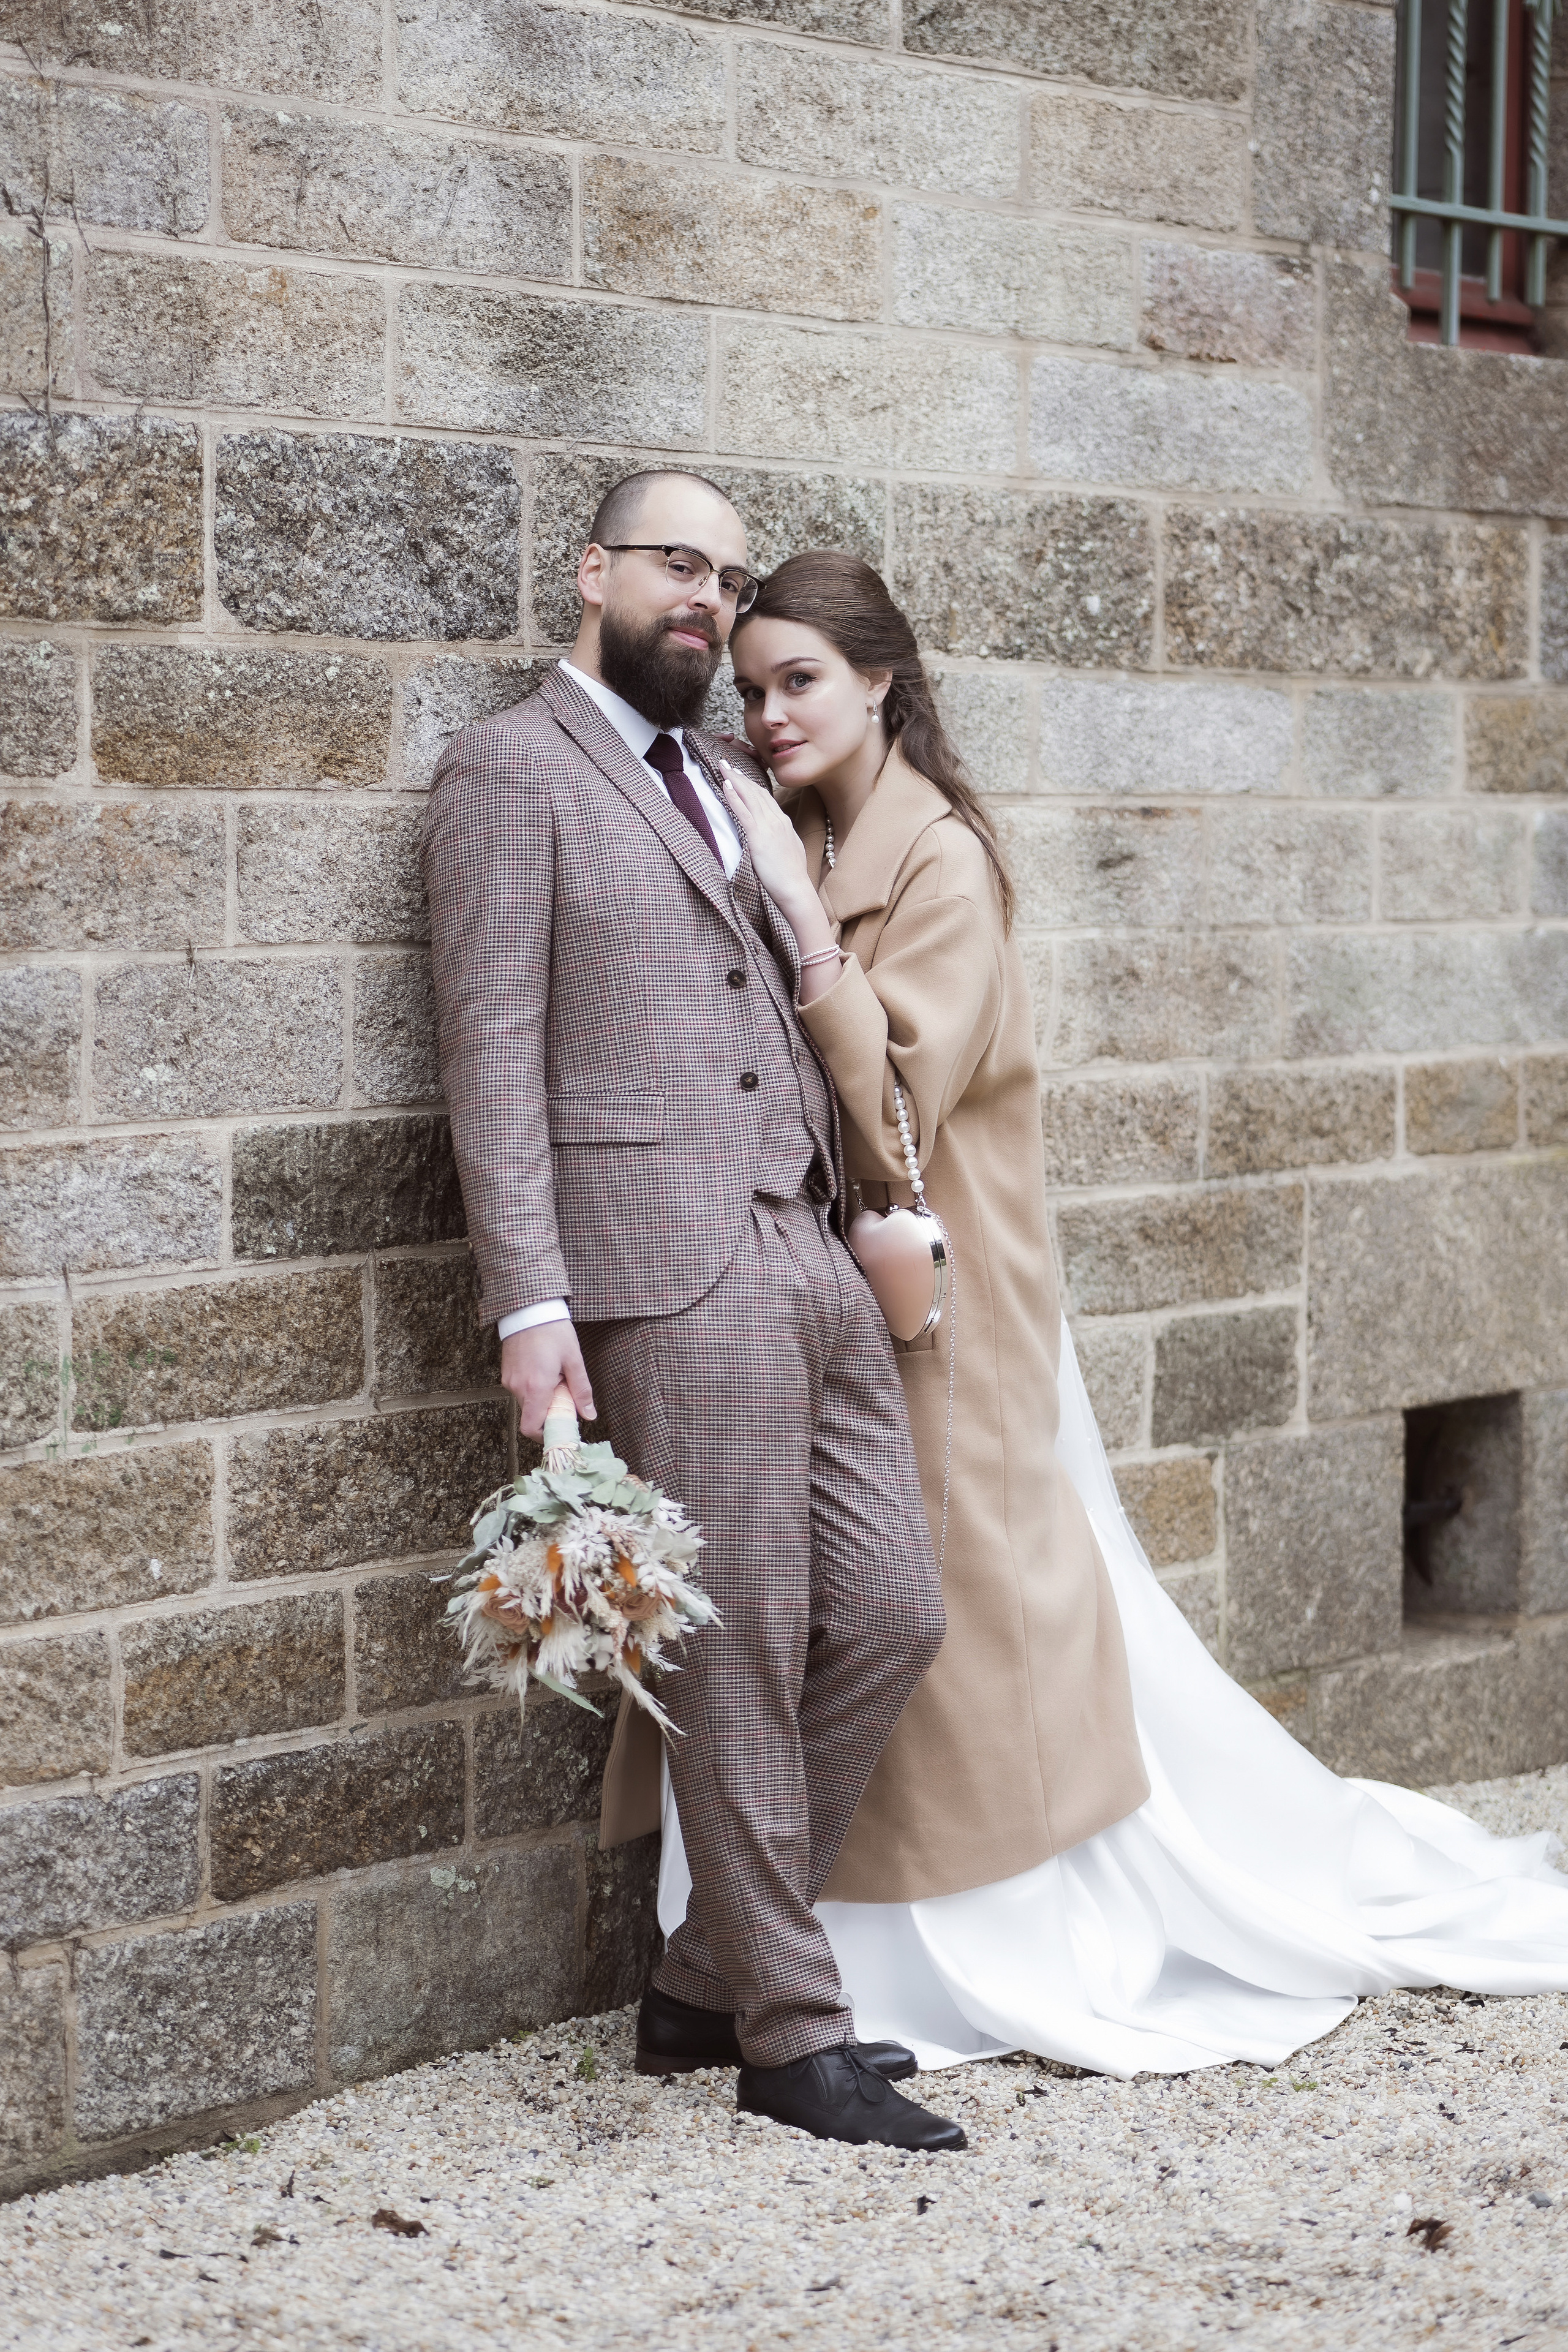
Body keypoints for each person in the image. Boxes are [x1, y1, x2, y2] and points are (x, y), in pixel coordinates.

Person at [674, 548, 1568, 2078]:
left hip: (950, 1296)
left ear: (882, 679)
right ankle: (797, 1948)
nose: (766, 715)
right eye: (749, 691)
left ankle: (970, 1940)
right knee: (875, 1600)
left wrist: (788, 913)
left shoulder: (933, 858)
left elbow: (889, 1097)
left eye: (799, 681)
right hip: (837, 1292)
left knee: (959, 1606)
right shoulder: (809, 833)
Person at [421, 472, 968, 2151]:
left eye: (727, 579)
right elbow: (491, 1055)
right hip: (662, 1262)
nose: (707, 599)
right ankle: (791, 2039)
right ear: (591, 570)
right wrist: (530, 1303)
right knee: (740, 1657)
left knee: (890, 1613)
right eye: (678, 561)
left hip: (803, 1244)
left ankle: (699, 1980)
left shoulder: (726, 777)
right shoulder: (514, 771)